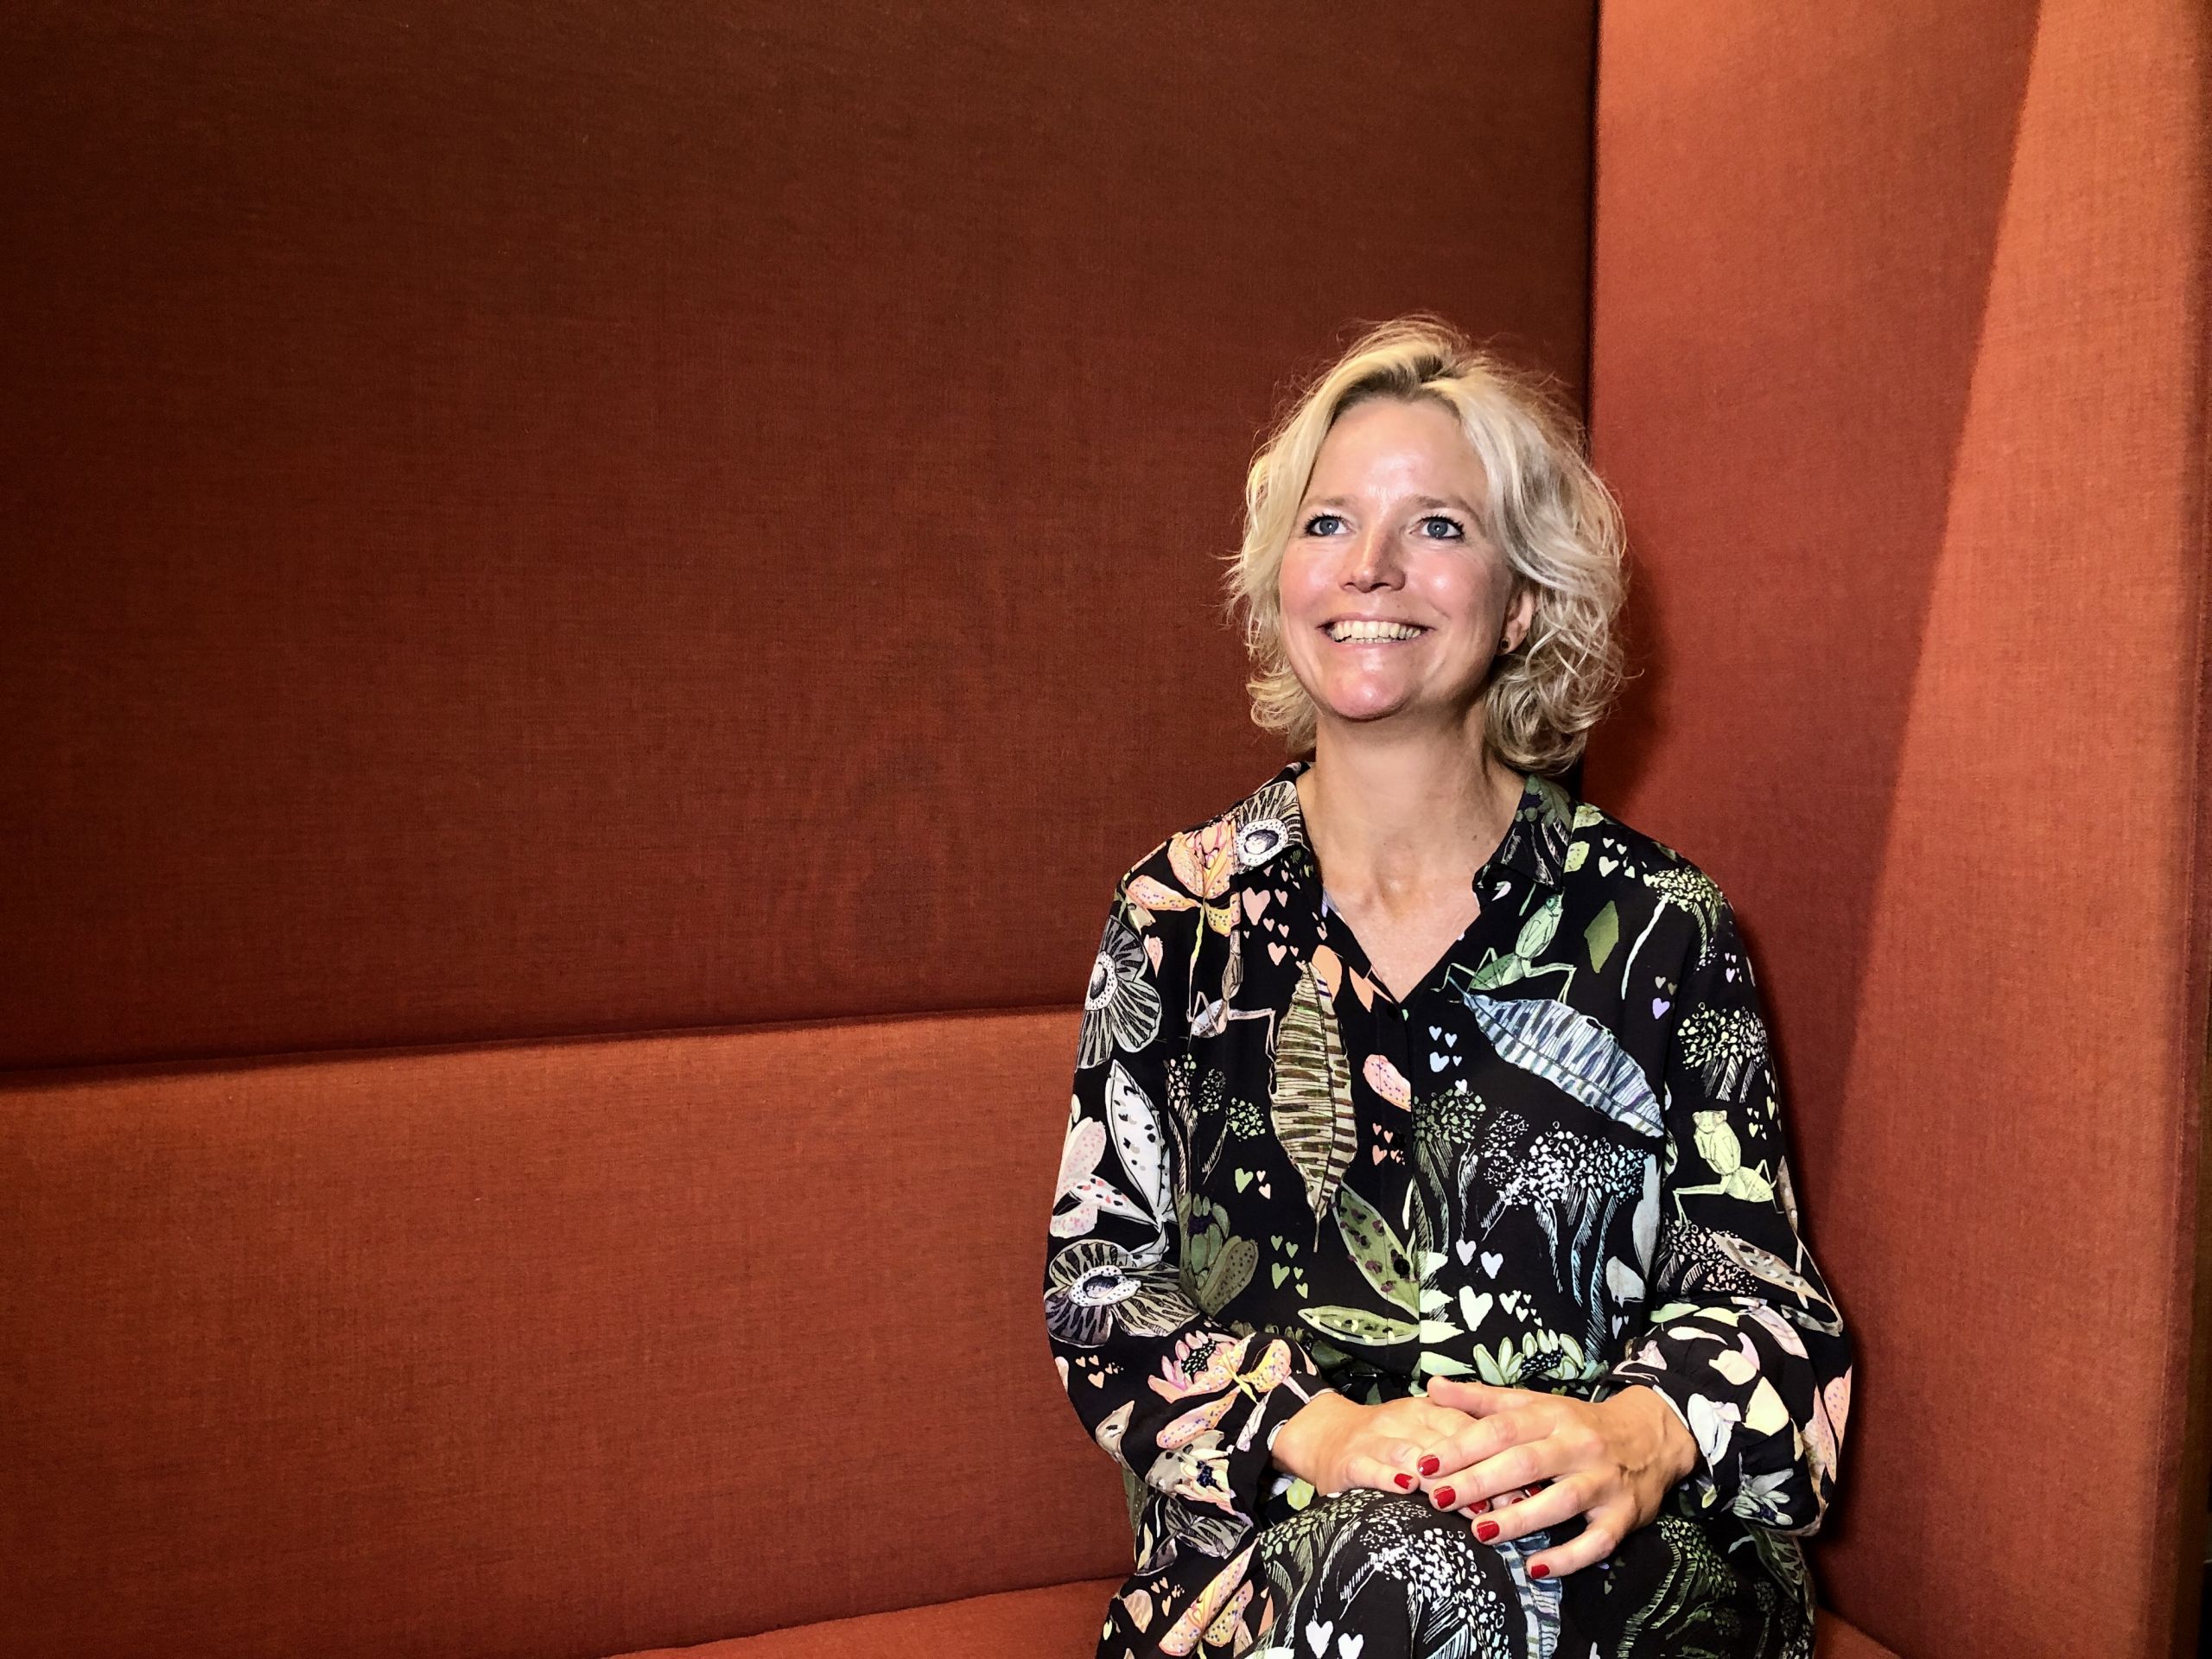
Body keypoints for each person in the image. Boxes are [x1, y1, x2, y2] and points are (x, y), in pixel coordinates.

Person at [1041, 315, 1852, 1659]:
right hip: (1276, 1576)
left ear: (1524, 599)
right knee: (1389, 1576)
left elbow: (1769, 1305)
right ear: (1278, 581)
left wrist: (1633, 1440)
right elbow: (1102, 1286)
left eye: (1437, 528)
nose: (1369, 565)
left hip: (1608, 1583)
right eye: (1328, 525)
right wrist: (1332, 1437)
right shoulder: (1175, 917)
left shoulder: (1661, 928)